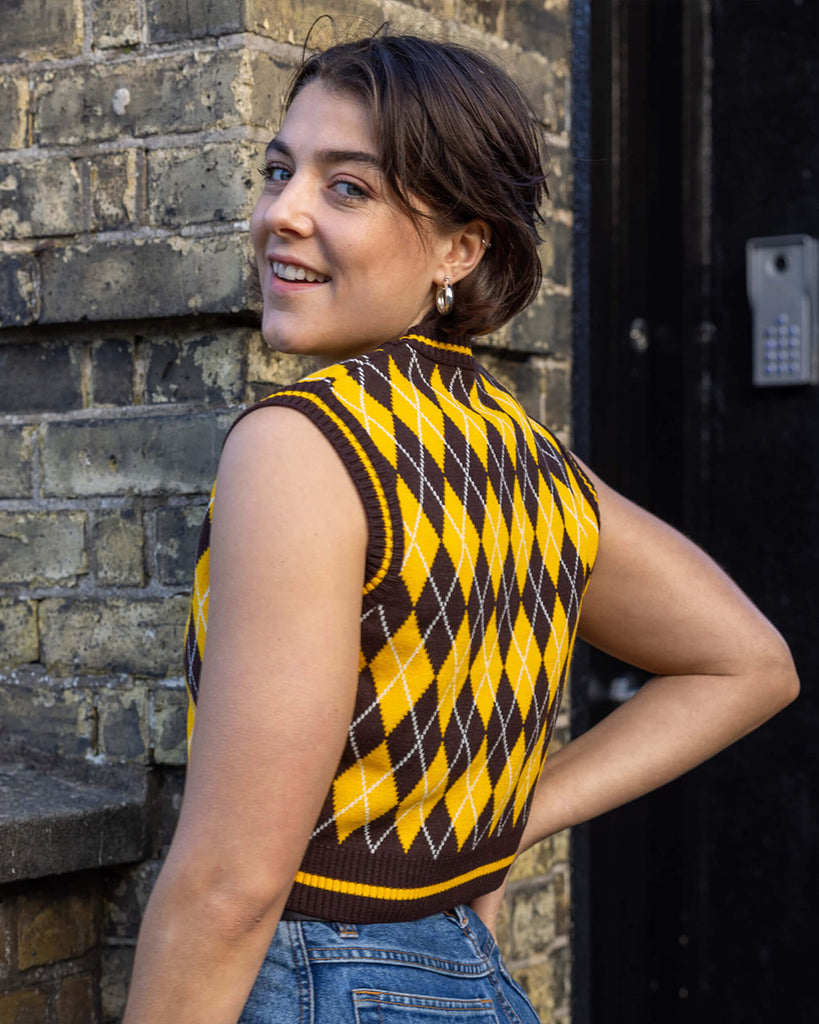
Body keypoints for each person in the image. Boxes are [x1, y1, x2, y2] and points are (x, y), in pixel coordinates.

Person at [122, 31, 799, 1024]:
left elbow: (232, 883)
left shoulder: (302, 445)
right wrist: (496, 829)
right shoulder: (532, 462)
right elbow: (749, 662)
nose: (281, 213)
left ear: (459, 249)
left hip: (316, 980)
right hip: (469, 980)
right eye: (277, 170)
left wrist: (501, 822)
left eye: (346, 187)